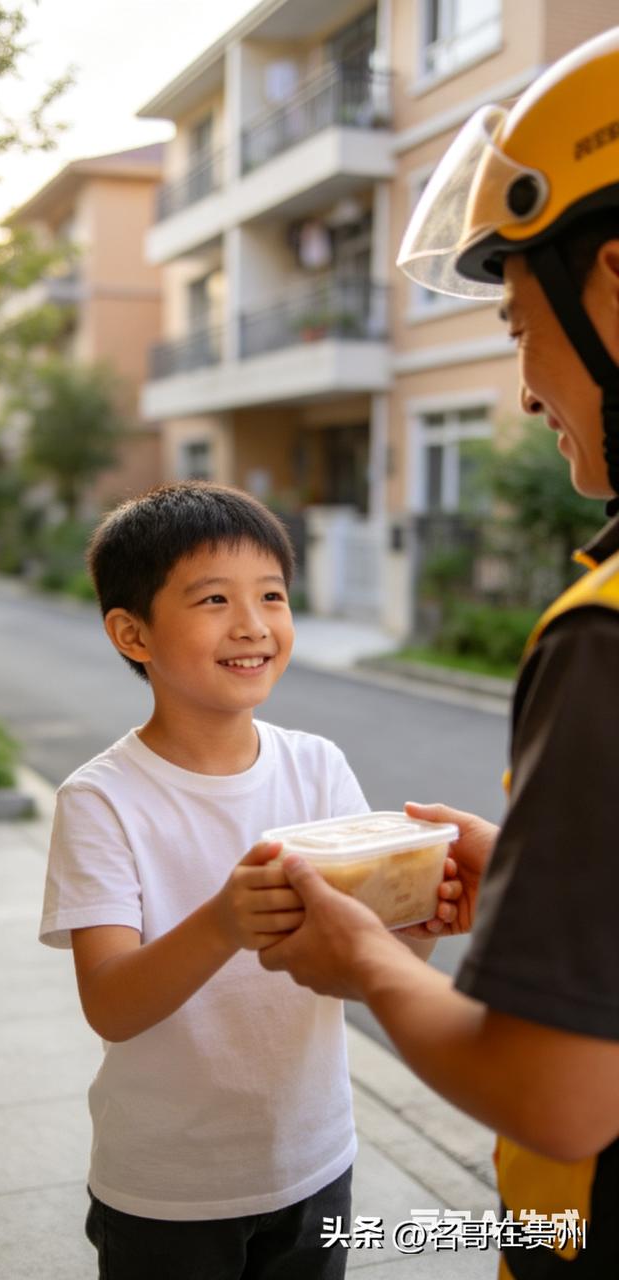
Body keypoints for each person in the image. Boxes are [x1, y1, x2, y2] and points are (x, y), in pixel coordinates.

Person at [259, 27, 619, 1279]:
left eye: (517, 322)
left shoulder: (602, 636)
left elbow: (559, 1097)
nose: (521, 386)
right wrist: (535, 869)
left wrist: (360, 955)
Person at [38, 482, 456, 1279]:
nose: (254, 624)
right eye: (213, 600)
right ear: (132, 633)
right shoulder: (101, 800)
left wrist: (417, 931)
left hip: (314, 1159)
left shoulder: (317, 767)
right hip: (166, 1190)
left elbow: (361, 972)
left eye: (271, 595)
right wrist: (223, 922)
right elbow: (112, 1006)